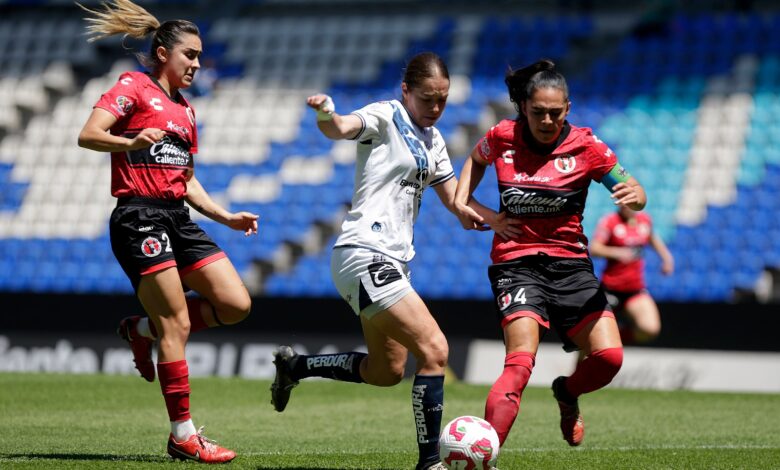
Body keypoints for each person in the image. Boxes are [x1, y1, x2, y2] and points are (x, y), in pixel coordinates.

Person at [76, 0, 258, 463]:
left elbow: (187, 177)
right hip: (138, 216)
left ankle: (141, 328)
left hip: (178, 216)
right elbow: (89, 133)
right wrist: (129, 141)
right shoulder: (133, 87)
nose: (196, 64)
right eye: (189, 55)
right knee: (176, 323)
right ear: (163, 53)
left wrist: (225, 217)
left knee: (236, 305)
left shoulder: (186, 112)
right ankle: (183, 435)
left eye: (198, 56)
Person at [271, 52, 465, 470]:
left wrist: (496, 219)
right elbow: (340, 128)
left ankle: (295, 366)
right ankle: (430, 463)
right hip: (364, 254)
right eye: (428, 98)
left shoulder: (435, 142)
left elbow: (455, 202)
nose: (435, 108)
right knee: (434, 350)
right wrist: (327, 112)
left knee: (386, 371)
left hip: (391, 261)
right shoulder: (386, 115)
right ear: (406, 91)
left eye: (443, 100)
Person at [453, 59, 647, 448]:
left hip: (571, 265)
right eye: (538, 112)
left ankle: (567, 392)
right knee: (520, 362)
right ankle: (487, 453)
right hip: (516, 261)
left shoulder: (587, 146)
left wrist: (636, 196)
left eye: (555, 113)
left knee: (609, 359)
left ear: (568, 109)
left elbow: (634, 190)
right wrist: (472, 206)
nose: (546, 120)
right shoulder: (502, 136)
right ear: (524, 108)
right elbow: (475, 159)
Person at [590, 206, 674, 344]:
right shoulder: (609, 221)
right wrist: (617, 252)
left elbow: (652, 237)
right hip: (610, 289)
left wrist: (666, 258)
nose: (627, 206)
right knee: (592, 335)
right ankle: (581, 363)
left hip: (634, 289)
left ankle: (616, 337)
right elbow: (594, 248)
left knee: (650, 329)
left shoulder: (644, 220)